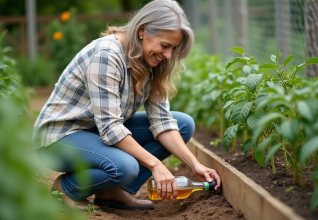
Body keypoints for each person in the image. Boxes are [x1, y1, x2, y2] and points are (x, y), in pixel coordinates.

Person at [33, 0, 221, 211]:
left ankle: (114, 192)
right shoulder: (107, 55)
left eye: (174, 48)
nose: (168, 55)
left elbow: (162, 121)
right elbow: (111, 128)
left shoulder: (152, 61)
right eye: (165, 46)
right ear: (142, 31)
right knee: (124, 166)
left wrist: (194, 164)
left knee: (182, 124)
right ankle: (67, 188)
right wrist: (156, 165)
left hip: (95, 132)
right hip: (61, 139)